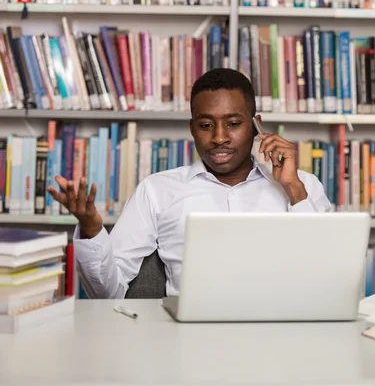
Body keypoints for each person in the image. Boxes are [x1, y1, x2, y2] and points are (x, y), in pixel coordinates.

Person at [48, 68, 332, 299]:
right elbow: (108, 295)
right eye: (206, 125)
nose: (219, 137)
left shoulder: (302, 186)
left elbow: (328, 279)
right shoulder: (157, 191)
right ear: (192, 128)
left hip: (283, 340)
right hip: (187, 345)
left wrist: (295, 191)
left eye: (233, 123)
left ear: (257, 126)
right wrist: (92, 230)